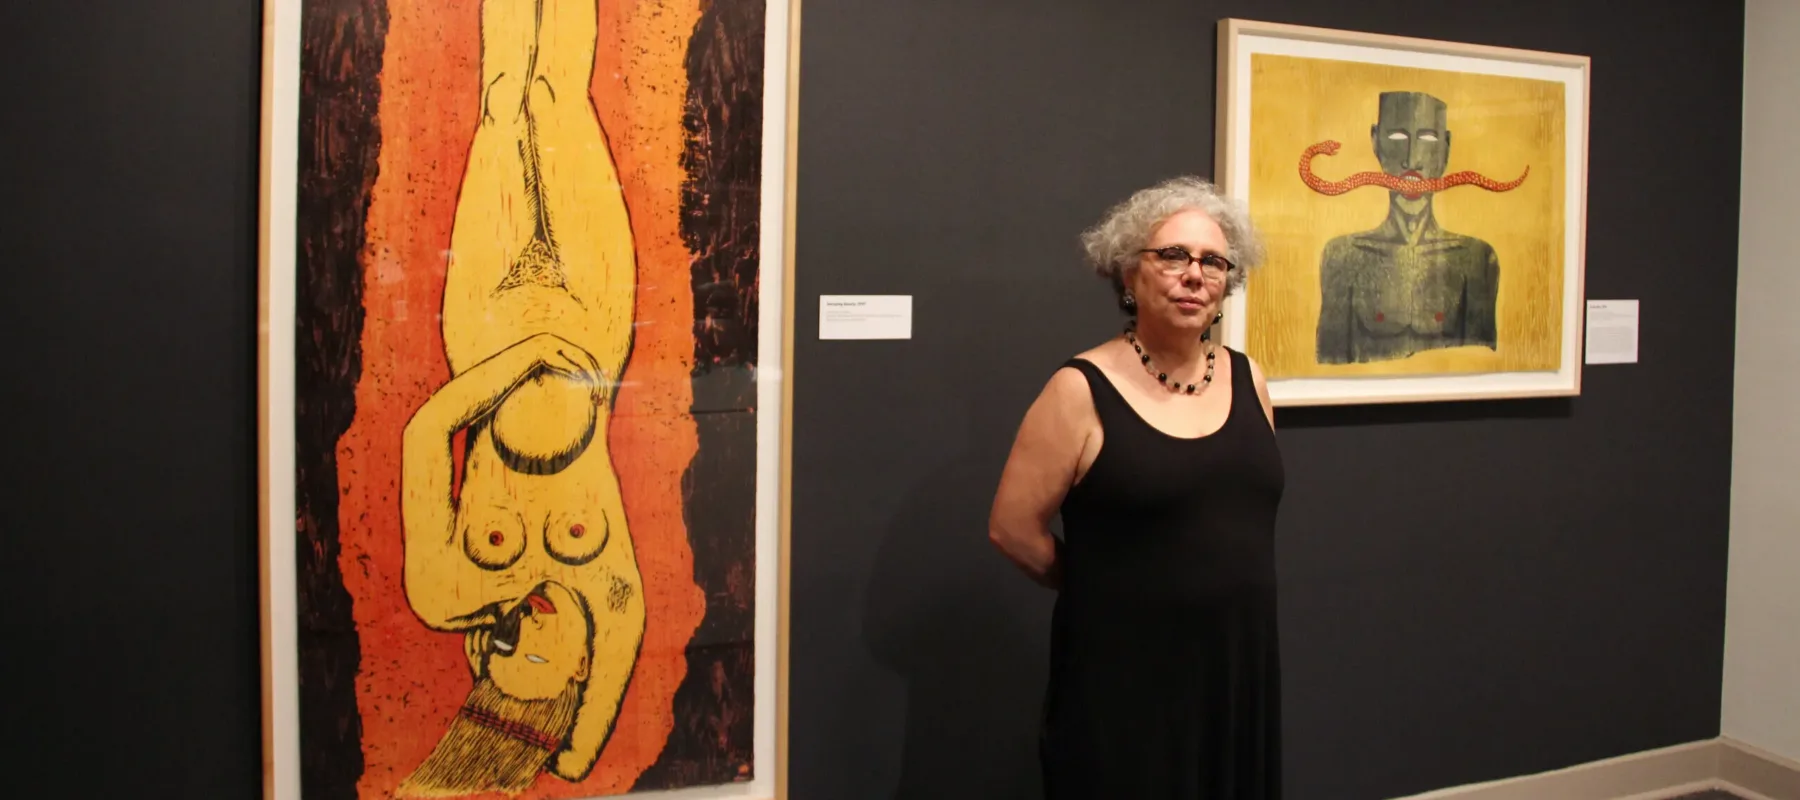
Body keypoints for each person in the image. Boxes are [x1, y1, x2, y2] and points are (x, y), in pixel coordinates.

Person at [396, 0, 646, 794]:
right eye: (546, 657)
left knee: (504, 102)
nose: (526, 631)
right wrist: (568, 755)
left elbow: (427, 433)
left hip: (486, 325)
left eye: (509, 653)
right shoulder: (609, 590)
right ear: (580, 665)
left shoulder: (445, 595)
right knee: (557, 100)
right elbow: (587, 732)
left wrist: (519, 356)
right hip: (595, 319)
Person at [988, 176, 1286, 799]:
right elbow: (1012, 528)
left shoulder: (1248, 376)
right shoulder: (1078, 390)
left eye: (1212, 261)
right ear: (1128, 275)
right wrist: (1105, 583)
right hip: (1125, 673)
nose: (1193, 274)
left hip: (1236, 663)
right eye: (1172, 255)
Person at [1314, 91, 1502, 364]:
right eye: (1397, 139)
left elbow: (1480, 366)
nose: (1412, 160)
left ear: (1446, 147)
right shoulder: (1343, 256)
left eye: (1428, 139)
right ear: (1375, 141)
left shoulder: (1476, 259)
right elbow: (1329, 367)